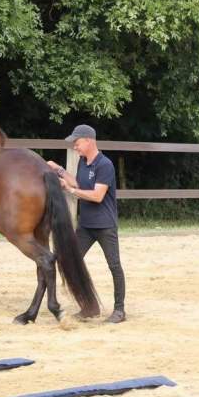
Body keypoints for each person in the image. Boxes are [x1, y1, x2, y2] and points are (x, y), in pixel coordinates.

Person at [47, 124, 126, 323]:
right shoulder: (83, 161)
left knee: (114, 265)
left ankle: (119, 310)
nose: (75, 147)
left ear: (89, 141)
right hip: (86, 225)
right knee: (70, 261)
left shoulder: (104, 165)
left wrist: (70, 191)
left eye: (77, 142)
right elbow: (78, 183)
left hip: (105, 225)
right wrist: (59, 170)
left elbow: (98, 196)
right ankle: (89, 307)